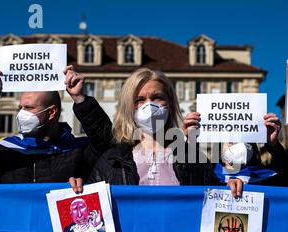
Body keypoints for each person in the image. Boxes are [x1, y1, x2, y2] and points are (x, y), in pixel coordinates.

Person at [66, 67, 244, 197]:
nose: (149, 105)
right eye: (139, 99)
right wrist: (80, 188)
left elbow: (213, 195)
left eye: (157, 97)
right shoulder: (112, 160)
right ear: (129, 108)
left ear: (171, 104)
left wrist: (230, 187)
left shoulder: (191, 157)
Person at [0, 68, 100, 183]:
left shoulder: (80, 151)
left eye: (29, 108)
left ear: (52, 112)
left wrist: (81, 100)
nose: (22, 114)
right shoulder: (3, 151)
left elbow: (106, 143)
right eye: (20, 108)